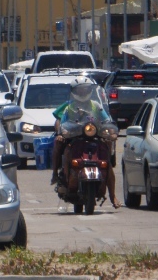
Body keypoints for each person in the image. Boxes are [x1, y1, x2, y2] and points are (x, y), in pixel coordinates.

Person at [50, 77, 121, 208]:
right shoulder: (69, 107)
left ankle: (113, 196)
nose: (83, 92)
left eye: (85, 90)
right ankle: (55, 173)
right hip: (74, 137)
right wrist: (61, 134)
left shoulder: (96, 105)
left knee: (107, 162)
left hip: (95, 135)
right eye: (80, 90)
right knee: (58, 143)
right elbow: (62, 123)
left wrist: (111, 132)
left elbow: (106, 121)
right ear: (74, 92)